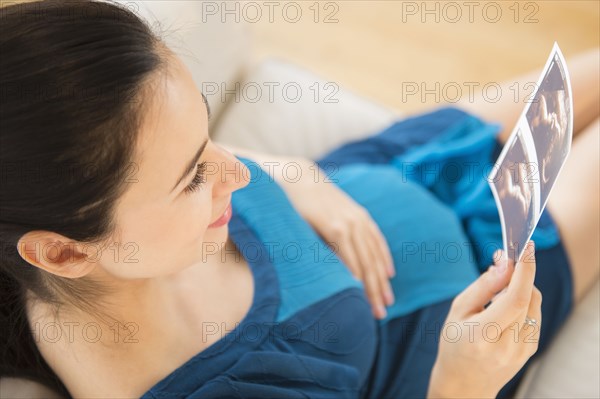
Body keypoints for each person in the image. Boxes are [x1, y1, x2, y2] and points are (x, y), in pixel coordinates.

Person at [1, 1, 598, 398]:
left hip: (388, 165)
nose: (235, 170)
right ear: (62, 254)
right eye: (191, 179)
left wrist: (298, 175)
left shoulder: (73, 197)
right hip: (487, 269)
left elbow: (175, 154)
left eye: (208, 135)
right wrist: (459, 386)